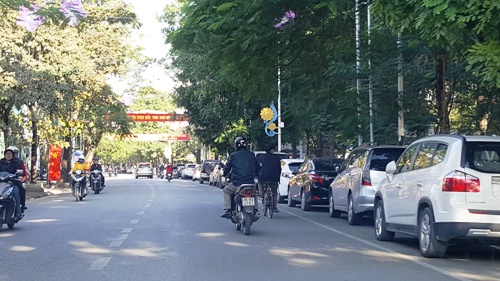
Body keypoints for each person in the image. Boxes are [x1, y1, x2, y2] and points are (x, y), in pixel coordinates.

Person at [221, 137, 260, 219]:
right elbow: (258, 168)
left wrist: (224, 173)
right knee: (254, 194)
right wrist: (256, 175)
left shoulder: (233, 155)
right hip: (250, 182)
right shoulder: (252, 155)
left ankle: (228, 209)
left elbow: (227, 167)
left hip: (237, 183)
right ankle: (255, 210)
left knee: (226, 191)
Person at [257, 144, 282, 213]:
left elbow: (258, 168)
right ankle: (274, 206)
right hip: (274, 178)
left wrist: (257, 175)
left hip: (263, 178)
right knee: (274, 192)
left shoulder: (261, 158)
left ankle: (262, 196)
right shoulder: (277, 158)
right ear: (271, 150)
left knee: (260, 185)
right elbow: (279, 169)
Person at [0, 147, 23, 219]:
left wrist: (18, 176)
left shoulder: (17, 162)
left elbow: (20, 172)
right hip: (1, 183)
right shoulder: (1, 162)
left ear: (13, 155)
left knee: (16, 192)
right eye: (7, 153)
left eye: (10, 154)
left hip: (12, 183)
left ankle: (18, 212)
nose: (8, 155)